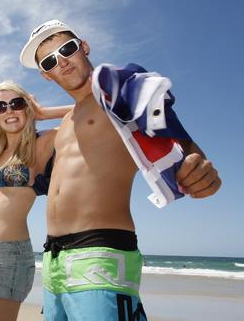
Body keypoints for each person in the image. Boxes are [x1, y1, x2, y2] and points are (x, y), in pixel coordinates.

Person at [19, 19, 222, 320]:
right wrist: (46, 113)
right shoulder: (65, 124)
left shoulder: (119, 93)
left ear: (84, 47)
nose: (61, 61)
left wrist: (200, 171)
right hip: (53, 261)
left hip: (101, 255)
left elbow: (176, 135)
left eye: (67, 49)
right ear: (46, 75)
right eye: (50, 61)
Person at [0, 81, 71, 321]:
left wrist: (44, 113)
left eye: (16, 103)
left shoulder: (43, 142)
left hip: (7, 254)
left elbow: (89, 113)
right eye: (0, 106)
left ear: (27, 108)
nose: (9, 110)